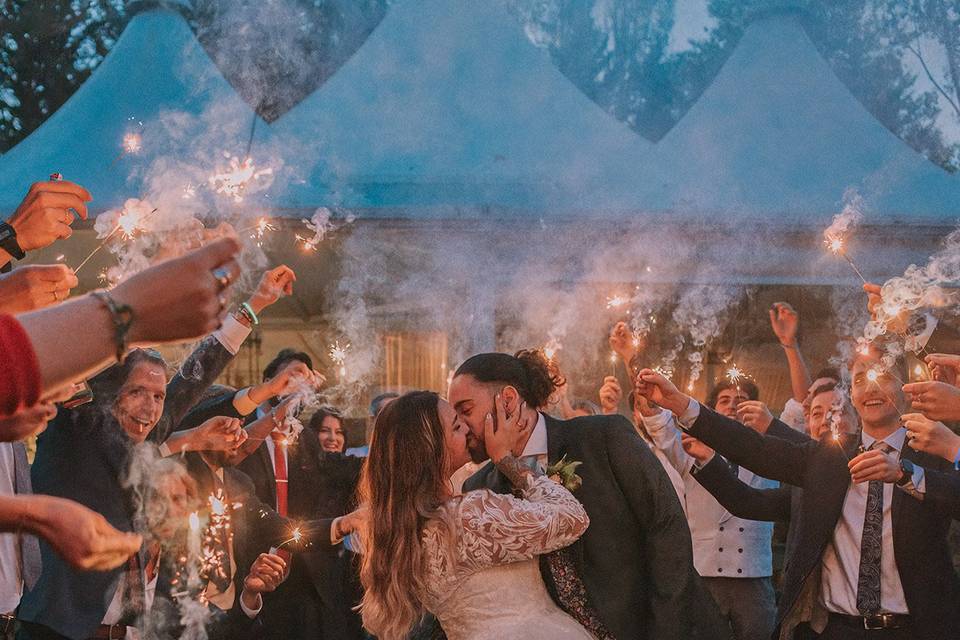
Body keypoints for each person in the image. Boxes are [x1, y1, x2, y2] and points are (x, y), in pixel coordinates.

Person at [17, 265, 289, 640]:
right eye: (137, 392)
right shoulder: (77, 424)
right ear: (111, 393)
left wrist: (254, 304)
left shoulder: (148, 436)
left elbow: (197, 375)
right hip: (56, 630)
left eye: (159, 397)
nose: (150, 408)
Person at [636, 346, 960, 640]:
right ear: (852, 393)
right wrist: (680, 404)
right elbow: (754, 449)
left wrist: (907, 475)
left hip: (917, 629)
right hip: (835, 629)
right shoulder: (829, 457)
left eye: (883, 376)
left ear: (907, 387)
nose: (871, 388)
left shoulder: (934, 451)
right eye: (860, 379)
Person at [450, 350, 729, 640]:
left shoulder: (603, 436)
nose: (460, 425)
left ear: (507, 400)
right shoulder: (481, 488)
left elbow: (667, 529)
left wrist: (665, 631)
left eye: (466, 410)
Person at [359, 390, 597, 640]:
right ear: (433, 448)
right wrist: (506, 459)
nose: (467, 429)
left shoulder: (408, 531)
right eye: (456, 426)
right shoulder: (467, 516)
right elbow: (572, 517)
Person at [641, 376, 779, 640]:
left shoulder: (772, 452)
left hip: (753, 576)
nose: (732, 406)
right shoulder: (692, 450)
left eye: (740, 401)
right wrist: (651, 405)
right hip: (705, 575)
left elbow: (796, 428)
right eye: (724, 401)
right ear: (712, 411)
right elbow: (663, 431)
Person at [686, 383, 858, 580]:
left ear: (858, 420)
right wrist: (707, 460)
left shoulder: (876, 471)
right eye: (818, 413)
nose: (828, 420)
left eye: (838, 410)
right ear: (808, 423)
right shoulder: (803, 486)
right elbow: (747, 502)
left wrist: (772, 427)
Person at [346, 392, 397, 457]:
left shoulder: (411, 457)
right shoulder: (352, 456)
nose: (393, 419)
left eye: (397, 414)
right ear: (373, 420)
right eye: (386, 413)